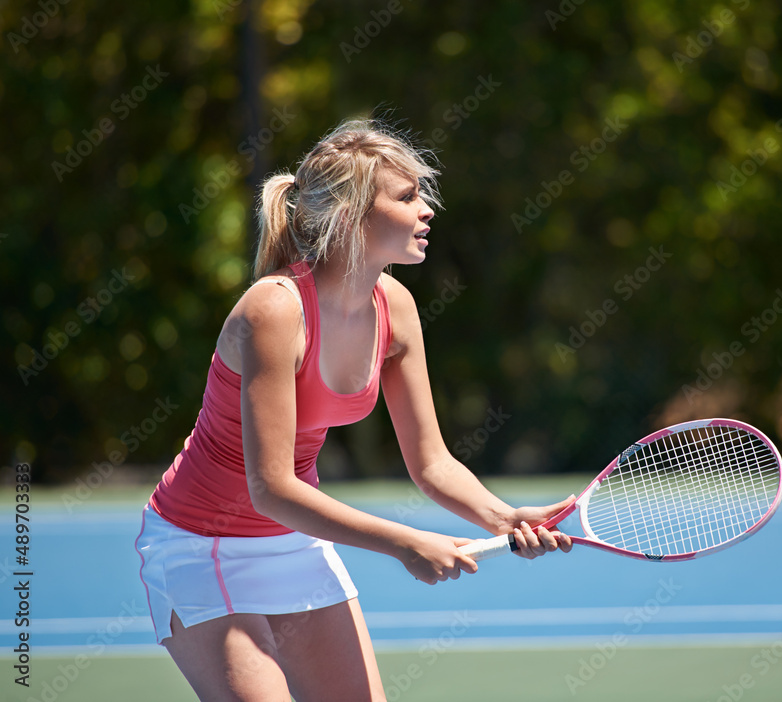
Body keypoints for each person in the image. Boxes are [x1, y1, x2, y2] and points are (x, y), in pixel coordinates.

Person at [135, 119, 573, 701]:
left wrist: (502, 519)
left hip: (294, 544)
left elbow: (433, 464)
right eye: (408, 196)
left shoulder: (396, 307)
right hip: (201, 542)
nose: (427, 210)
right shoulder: (274, 310)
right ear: (352, 216)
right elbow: (270, 487)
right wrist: (404, 542)